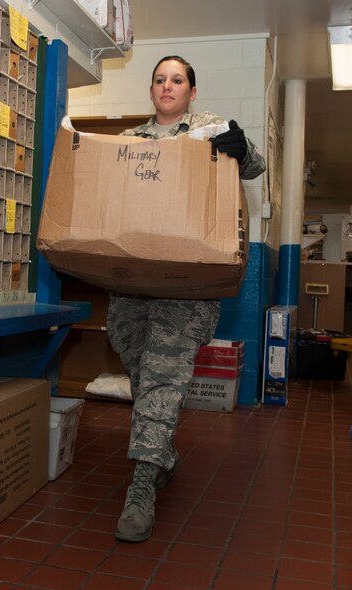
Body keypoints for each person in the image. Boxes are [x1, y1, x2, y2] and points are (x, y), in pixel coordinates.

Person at [110, 56, 266, 543]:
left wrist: (240, 148)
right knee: (142, 372)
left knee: (161, 376)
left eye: (177, 79)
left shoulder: (211, 128)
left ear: (192, 91)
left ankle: (141, 489)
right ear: (151, 90)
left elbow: (255, 165)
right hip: (132, 286)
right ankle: (163, 453)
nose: (167, 86)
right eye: (159, 79)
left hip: (188, 288)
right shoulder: (128, 143)